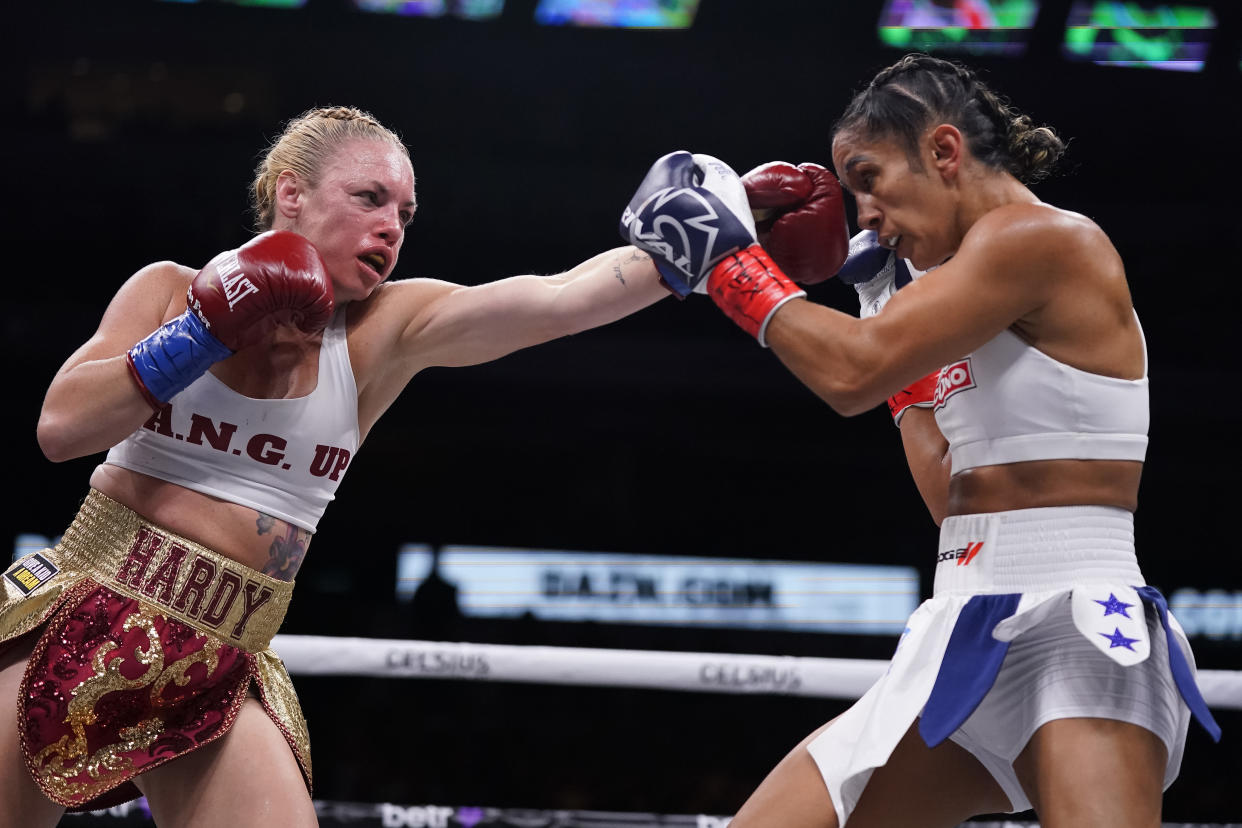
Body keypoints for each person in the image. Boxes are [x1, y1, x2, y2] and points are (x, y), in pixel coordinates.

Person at [0, 105, 674, 827]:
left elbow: (558, 299)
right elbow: (61, 428)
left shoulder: (386, 330)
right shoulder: (168, 290)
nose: (393, 226)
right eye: (370, 199)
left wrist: (704, 250)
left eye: (406, 214)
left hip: (221, 657)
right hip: (89, 603)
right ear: (292, 193)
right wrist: (201, 334)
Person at [620, 54, 1220, 827]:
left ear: (943, 152)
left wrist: (731, 263)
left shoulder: (1040, 239)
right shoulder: (966, 292)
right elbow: (951, 492)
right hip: (966, 619)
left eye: (869, 178)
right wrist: (877, 303)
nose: (861, 212)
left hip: (1075, 623)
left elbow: (849, 376)